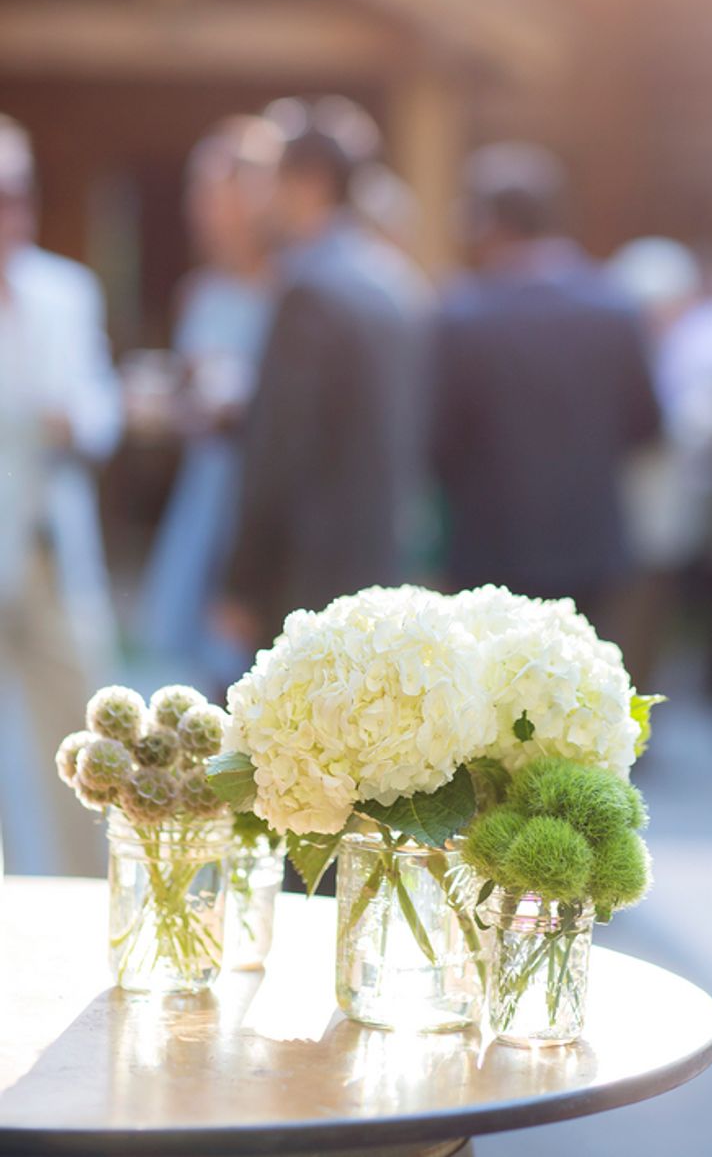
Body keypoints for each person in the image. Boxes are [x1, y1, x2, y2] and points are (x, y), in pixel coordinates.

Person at [432, 142, 659, 639]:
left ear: (487, 223)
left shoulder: (464, 315)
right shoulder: (614, 306)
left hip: (492, 549)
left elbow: (438, 441)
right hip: (592, 543)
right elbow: (646, 424)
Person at [217, 127, 428, 648]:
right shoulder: (394, 278)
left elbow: (279, 447)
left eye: (271, 180)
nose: (261, 199)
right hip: (378, 555)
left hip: (306, 573)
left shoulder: (309, 288)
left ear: (310, 182)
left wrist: (244, 580)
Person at [0, 114, 120, 873]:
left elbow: (100, 401)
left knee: (84, 745)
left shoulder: (68, 290)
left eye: (18, 194)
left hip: (51, 550)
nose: (9, 212)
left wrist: (79, 420)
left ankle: (86, 897)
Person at [138, 116, 281, 691]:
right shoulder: (199, 292)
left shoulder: (293, 291)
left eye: (213, 193)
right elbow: (192, 401)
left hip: (260, 501)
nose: (200, 209)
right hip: (209, 492)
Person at [607, 238, 704, 683]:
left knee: (649, 620)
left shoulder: (687, 351)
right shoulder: (616, 354)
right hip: (617, 512)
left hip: (664, 513)